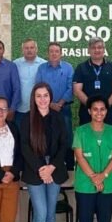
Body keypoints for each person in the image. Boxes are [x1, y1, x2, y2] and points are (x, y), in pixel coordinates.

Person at [21, 83, 69, 222]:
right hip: (35, 171)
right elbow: (24, 146)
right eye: (38, 96)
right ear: (33, 98)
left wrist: (51, 167)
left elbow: (64, 145)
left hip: (54, 170)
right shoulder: (27, 119)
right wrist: (42, 168)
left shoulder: (59, 117)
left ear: (50, 97)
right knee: (40, 217)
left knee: (50, 217)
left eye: (45, 95)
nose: (42, 99)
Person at [36, 42, 74, 170]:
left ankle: (69, 167)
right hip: (45, 109)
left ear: (61, 53)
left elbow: (71, 87)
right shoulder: (41, 68)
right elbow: (38, 87)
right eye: (51, 51)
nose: (54, 53)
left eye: (56, 51)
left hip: (64, 109)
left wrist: (60, 103)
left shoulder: (68, 68)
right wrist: (50, 104)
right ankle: (48, 167)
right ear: (48, 53)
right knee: (47, 137)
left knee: (66, 137)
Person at [73, 36, 112, 126]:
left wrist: (104, 107)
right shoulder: (81, 68)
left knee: (109, 134)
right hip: (87, 112)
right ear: (89, 50)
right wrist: (92, 107)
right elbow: (77, 90)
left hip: (108, 112)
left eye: (99, 47)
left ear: (104, 49)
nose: (97, 50)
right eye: (93, 48)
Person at [13, 38, 46, 128]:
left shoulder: (44, 64)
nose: (29, 50)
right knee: (20, 134)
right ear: (22, 50)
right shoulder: (15, 64)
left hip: (38, 108)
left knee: (38, 134)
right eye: (26, 48)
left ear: (36, 49)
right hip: (20, 109)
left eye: (32, 47)